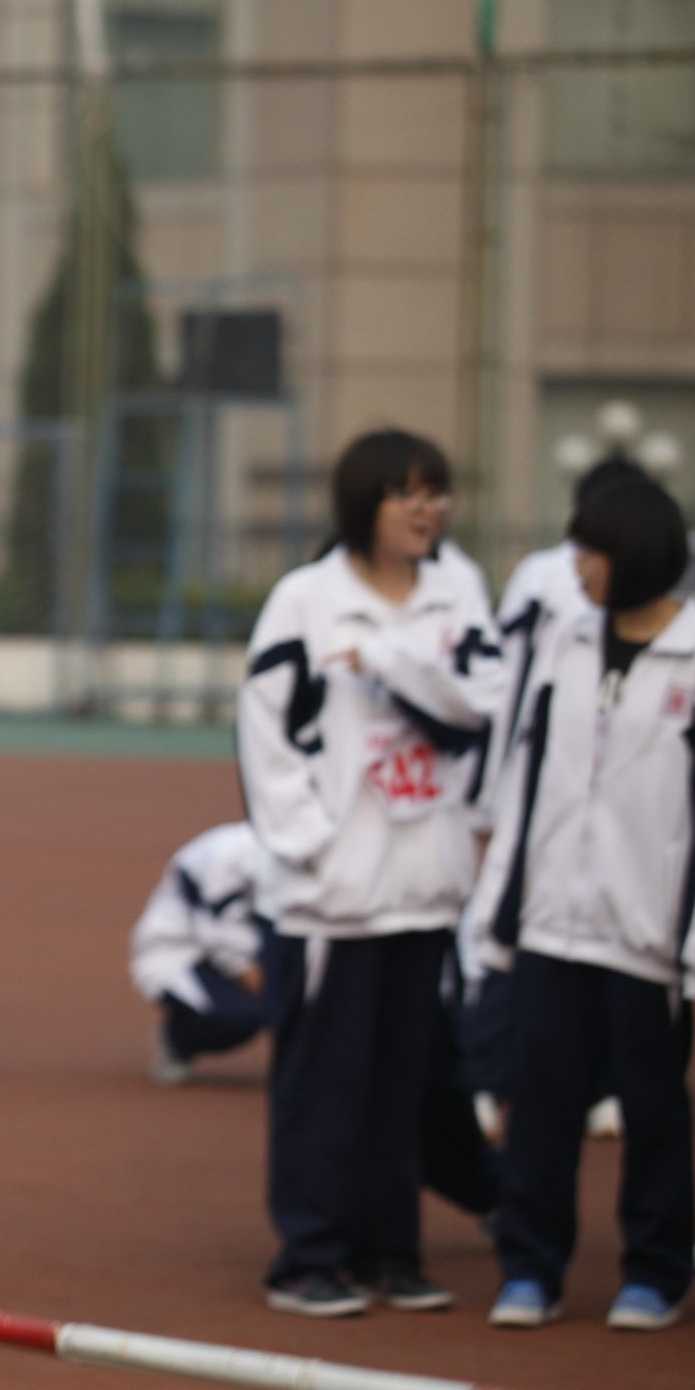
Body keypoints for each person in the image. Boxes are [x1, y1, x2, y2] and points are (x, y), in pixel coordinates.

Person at [238, 428, 504, 1319]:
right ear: (364, 505)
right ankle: (309, 1253)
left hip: (423, 884)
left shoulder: (458, 591)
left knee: (407, 1077)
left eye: (438, 491)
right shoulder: (306, 600)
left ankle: (393, 1250)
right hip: (333, 899)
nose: (428, 508)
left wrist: (392, 660)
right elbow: (265, 731)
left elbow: (483, 702)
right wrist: (312, 845)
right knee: (324, 1081)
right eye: (407, 493)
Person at [467, 475, 695, 1332]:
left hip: (647, 937)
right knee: (539, 1106)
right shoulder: (566, 645)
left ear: (638, 554)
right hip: (551, 925)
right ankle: (530, 1270)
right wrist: (501, 913)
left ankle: (654, 1273)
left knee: (654, 1114)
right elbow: (527, 780)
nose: (574, 567)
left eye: (590, 550)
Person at [132, 821, 273, 1085]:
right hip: (180, 953)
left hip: (250, 945)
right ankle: (178, 1040)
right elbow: (231, 951)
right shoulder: (229, 855)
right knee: (243, 1016)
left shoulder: (309, 850)